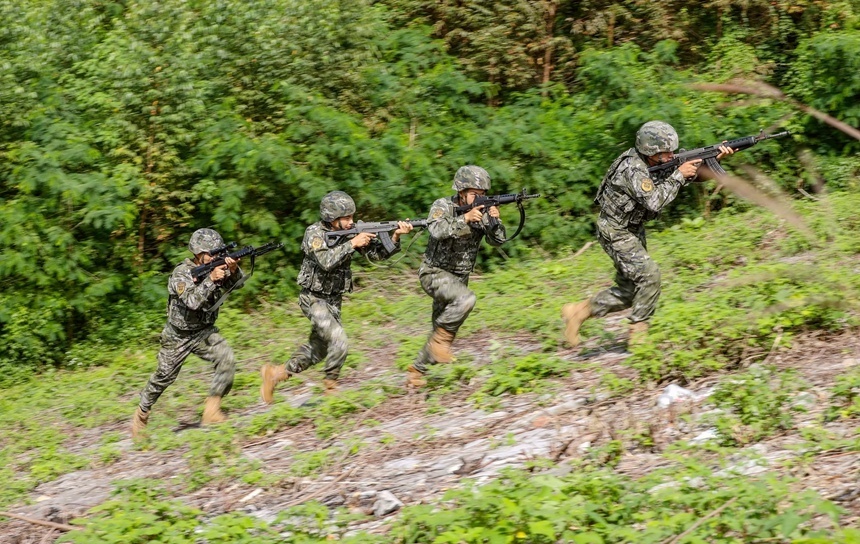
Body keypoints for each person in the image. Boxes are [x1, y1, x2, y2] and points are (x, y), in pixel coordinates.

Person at [562, 121, 734, 347]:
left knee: (630, 291)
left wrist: (711, 162)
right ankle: (638, 337)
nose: (671, 155)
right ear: (650, 150)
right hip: (616, 230)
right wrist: (679, 175)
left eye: (672, 150)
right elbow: (654, 201)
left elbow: (686, 175)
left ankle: (579, 312)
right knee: (650, 276)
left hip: (632, 228)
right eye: (666, 152)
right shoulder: (632, 168)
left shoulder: (654, 162)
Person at [259, 191, 412, 402]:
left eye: (352, 217)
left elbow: (377, 256)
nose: (351, 222)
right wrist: (353, 243)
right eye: (346, 218)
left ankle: (276, 374)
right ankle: (331, 388)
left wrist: (395, 236)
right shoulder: (314, 233)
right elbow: (325, 261)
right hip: (313, 299)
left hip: (334, 300)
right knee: (339, 340)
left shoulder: (350, 233)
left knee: (318, 350)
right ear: (331, 218)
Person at [132, 228, 242, 437]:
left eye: (218, 252)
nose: (216, 256)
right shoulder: (181, 273)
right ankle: (142, 413)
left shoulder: (216, 266)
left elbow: (236, 286)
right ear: (199, 253)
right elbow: (192, 302)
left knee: (226, 358)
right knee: (164, 377)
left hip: (203, 331)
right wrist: (210, 279)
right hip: (178, 335)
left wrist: (233, 270)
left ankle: (212, 410)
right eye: (212, 253)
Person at [406, 165, 506, 387]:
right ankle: (437, 351)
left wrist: (494, 222)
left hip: (459, 276)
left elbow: (497, 241)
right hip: (434, 272)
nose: (480, 198)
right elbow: (436, 230)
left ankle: (416, 371)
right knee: (465, 300)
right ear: (461, 192)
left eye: (483, 194)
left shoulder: (481, 210)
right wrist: (465, 219)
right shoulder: (443, 206)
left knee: (443, 330)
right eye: (474, 194)